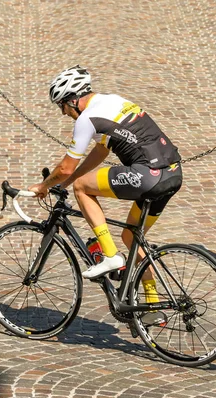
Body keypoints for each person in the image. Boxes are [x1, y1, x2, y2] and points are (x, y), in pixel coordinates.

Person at [28, 65, 182, 309]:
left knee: (81, 187)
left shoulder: (87, 119)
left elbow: (66, 167)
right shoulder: (112, 102)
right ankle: (152, 305)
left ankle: (110, 256)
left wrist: (44, 185)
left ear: (73, 100)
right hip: (172, 174)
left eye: (62, 106)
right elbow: (101, 150)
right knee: (131, 237)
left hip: (147, 175)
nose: (63, 113)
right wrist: (64, 184)